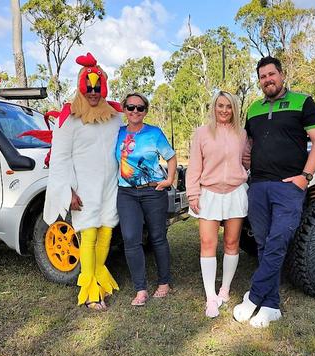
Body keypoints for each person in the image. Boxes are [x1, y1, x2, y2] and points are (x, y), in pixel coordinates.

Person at [233, 56, 315, 328]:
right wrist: (247, 162)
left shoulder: (303, 102)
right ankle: (271, 305)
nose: (267, 80)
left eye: (271, 74)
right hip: (258, 186)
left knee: (277, 241)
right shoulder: (253, 109)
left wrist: (305, 177)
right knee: (263, 244)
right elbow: (250, 144)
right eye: (262, 77)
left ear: (282, 75)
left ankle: (253, 298)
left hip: (289, 187)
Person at [43, 53, 121, 310]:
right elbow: (60, 158)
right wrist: (67, 191)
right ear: (80, 87)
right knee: (88, 234)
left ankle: (99, 278)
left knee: (106, 231)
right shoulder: (69, 118)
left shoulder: (115, 116)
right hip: (84, 187)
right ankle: (89, 291)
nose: (94, 93)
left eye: (98, 88)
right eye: (89, 88)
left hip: (110, 186)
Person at [187, 91, 250, 318]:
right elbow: (194, 165)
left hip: (235, 192)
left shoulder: (242, 134)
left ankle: (225, 289)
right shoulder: (202, 133)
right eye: (220, 106)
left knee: (232, 242)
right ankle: (210, 296)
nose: (224, 110)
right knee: (207, 242)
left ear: (234, 109)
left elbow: (246, 160)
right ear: (214, 107)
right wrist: (193, 195)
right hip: (209, 193)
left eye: (229, 107)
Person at [115, 92, 177, 306]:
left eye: (140, 108)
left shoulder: (154, 133)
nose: (135, 111)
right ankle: (140, 289)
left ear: (145, 111)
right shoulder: (118, 134)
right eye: (131, 107)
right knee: (131, 239)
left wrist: (169, 180)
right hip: (126, 194)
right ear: (124, 109)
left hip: (152, 191)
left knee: (157, 237)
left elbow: (170, 156)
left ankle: (164, 282)